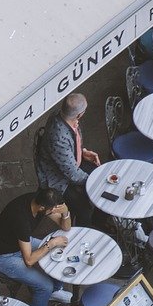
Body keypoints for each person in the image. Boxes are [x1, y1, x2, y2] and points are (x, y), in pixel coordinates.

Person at [0, 187, 73, 306]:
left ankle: (54, 291)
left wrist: (65, 212)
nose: (55, 212)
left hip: (20, 241)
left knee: (60, 251)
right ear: (43, 208)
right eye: (53, 210)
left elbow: (66, 227)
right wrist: (50, 244)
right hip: (3, 257)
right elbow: (29, 261)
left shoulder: (40, 200)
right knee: (45, 286)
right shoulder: (21, 219)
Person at [35, 94, 99, 228]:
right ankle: (84, 233)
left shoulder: (60, 115)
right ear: (79, 115)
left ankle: (100, 222)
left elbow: (71, 147)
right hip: (58, 180)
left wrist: (82, 152)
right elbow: (73, 175)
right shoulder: (59, 137)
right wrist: (94, 181)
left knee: (102, 177)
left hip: (71, 164)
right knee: (84, 209)